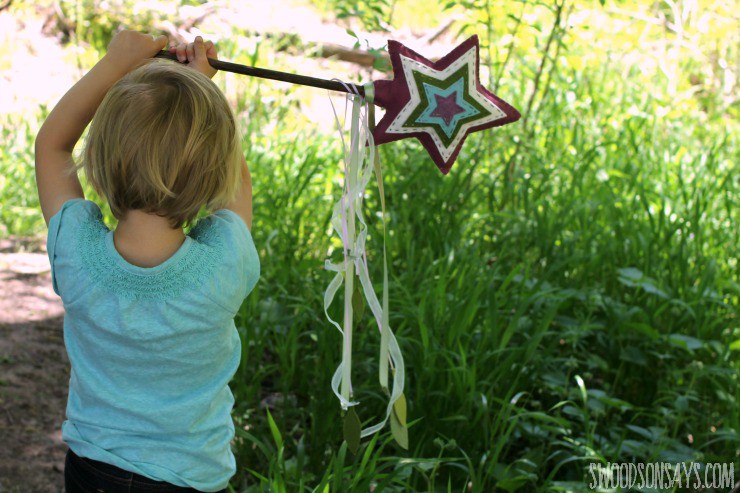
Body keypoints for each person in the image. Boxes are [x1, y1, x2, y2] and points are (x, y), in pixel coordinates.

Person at [35, 30, 259, 492]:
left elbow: (52, 146)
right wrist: (203, 92)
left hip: (93, 469)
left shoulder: (74, 253)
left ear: (99, 160)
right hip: (191, 478)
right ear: (213, 170)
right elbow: (237, 189)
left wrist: (114, 63)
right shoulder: (225, 266)